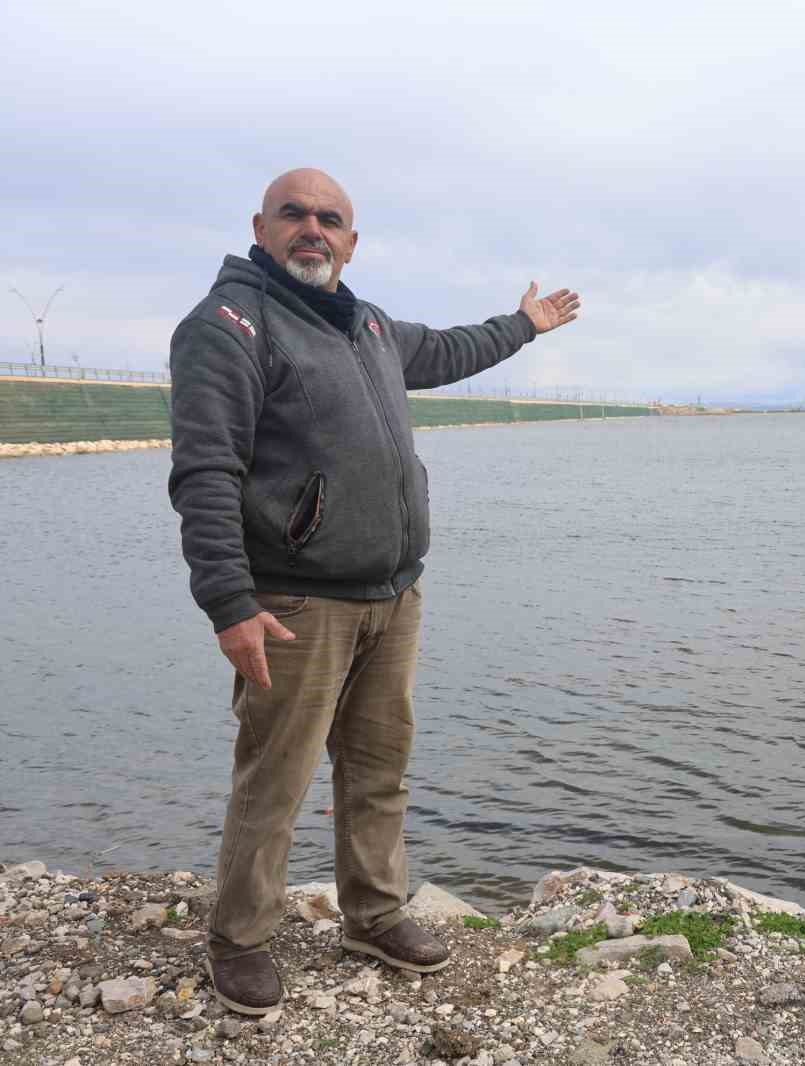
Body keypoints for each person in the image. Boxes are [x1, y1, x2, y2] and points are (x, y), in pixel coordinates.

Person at [167, 168, 579, 1016]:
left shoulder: (370, 327)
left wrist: (525, 325)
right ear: (261, 226)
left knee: (378, 769)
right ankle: (240, 938)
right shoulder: (229, 325)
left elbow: (453, 350)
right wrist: (229, 603)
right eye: (295, 214)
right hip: (294, 606)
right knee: (273, 782)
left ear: (352, 241)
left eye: (331, 219)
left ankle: (375, 913)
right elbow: (205, 472)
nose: (312, 228)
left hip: (394, 595)